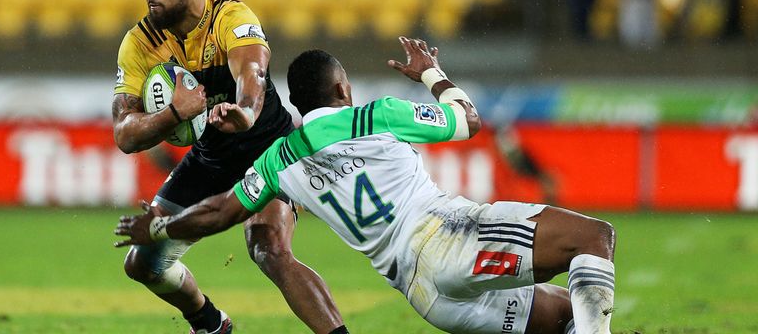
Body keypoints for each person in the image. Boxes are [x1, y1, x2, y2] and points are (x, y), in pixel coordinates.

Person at [115, 37, 618, 334]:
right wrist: (432, 74)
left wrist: (159, 228)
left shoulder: (278, 160)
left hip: (426, 295)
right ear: (342, 88)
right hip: (447, 238)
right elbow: (469, 120)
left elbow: (220, 212)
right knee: (594, 238)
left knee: (565, 315)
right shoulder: (376, 115)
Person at [111, 0, 346, 334]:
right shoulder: (140, 43)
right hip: (210, 159)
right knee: (142, 263)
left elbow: (252, 73)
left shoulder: (231, 17)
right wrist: (173, 113)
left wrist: (247, 112)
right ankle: (210, 323)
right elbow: (124, 135)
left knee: (268, 248)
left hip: (268, 151)